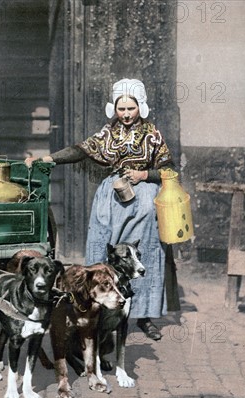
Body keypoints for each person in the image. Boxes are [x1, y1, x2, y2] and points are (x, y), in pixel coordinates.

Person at [26, 78, 178, 341]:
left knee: (144, 257)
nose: (127, 114)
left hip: (144, 203)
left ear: (140, 107)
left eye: (131, 109)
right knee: (105, 251)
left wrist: (144, 175)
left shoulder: (153, 135)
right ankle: (102, 313)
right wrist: (48, 158)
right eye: (122, 109)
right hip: (111, 198)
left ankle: (144, 315)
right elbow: (80, 150)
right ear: (114, 109)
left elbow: (169, 170)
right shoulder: (107, 134)